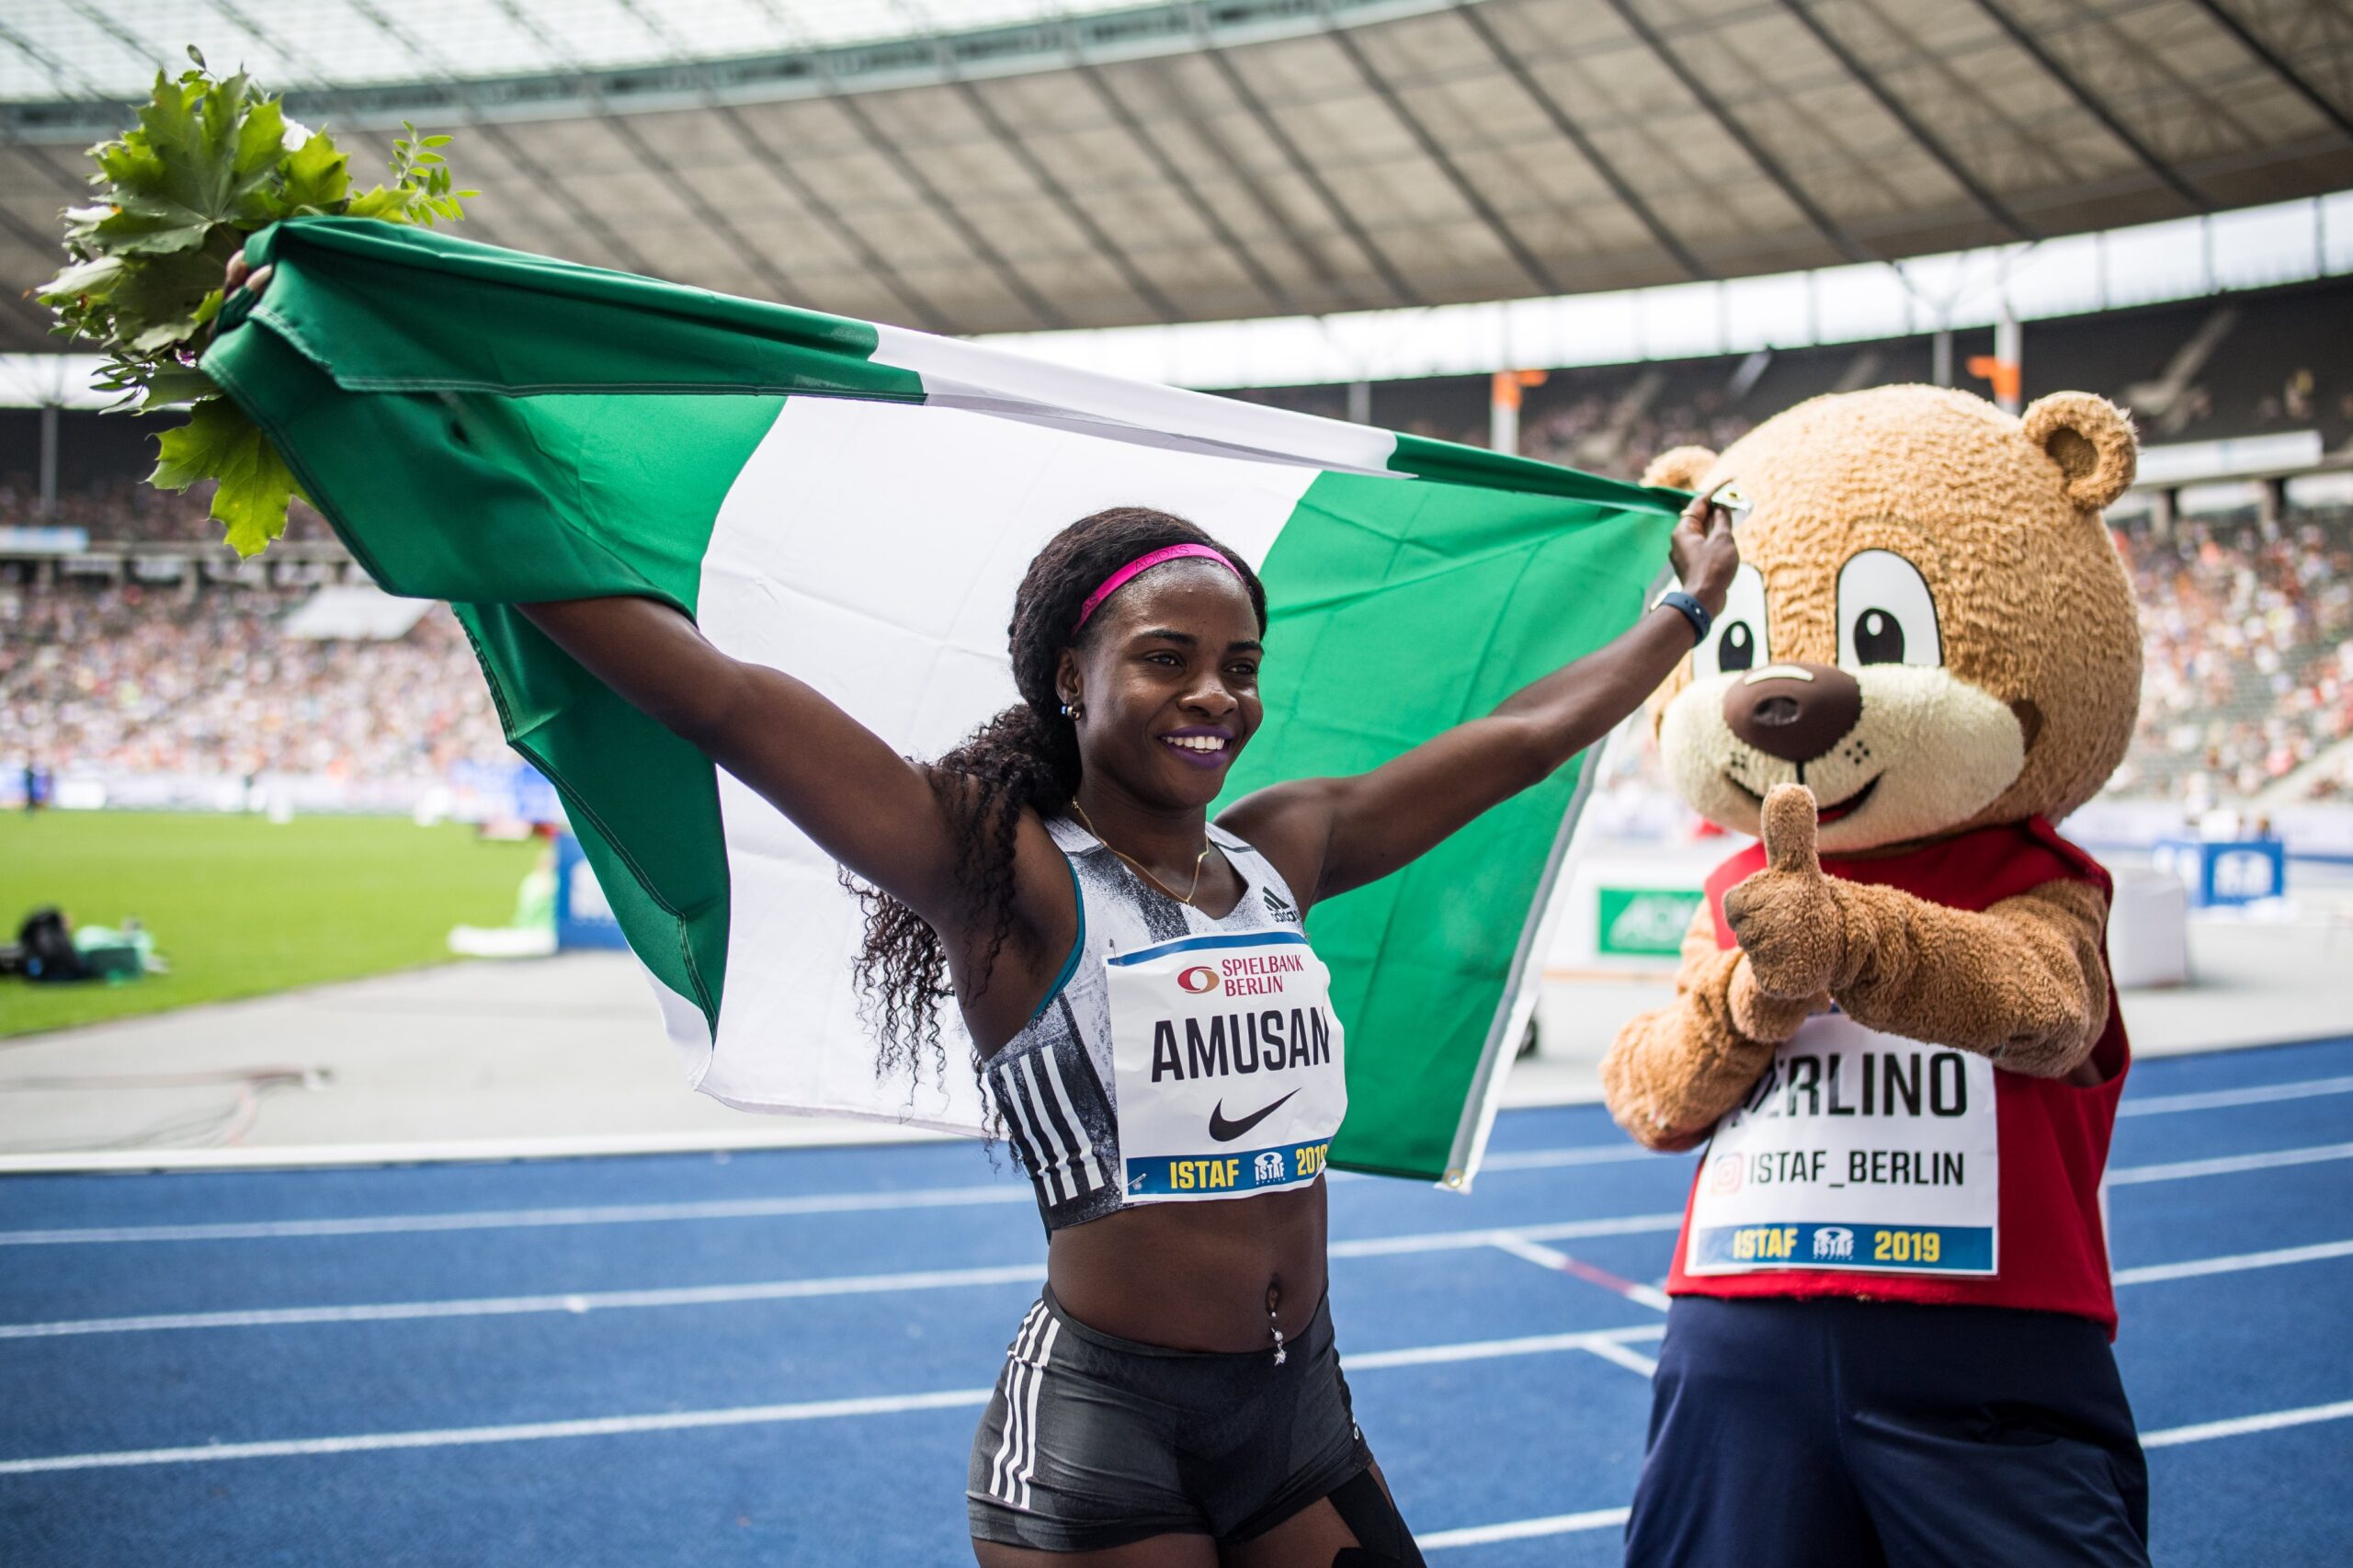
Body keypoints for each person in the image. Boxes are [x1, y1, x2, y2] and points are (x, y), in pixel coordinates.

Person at [225, 254, 1739, 1566]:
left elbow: (1529, 735)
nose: (1215, 692)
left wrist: (1679, 611)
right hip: (1103, 1443)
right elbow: (718, 693)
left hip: (1303, 1407)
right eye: (1165, 656)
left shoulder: (1288, 847)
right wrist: (381, 414)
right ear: (1069, 678)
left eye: (1240, 660)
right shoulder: (994, 869)